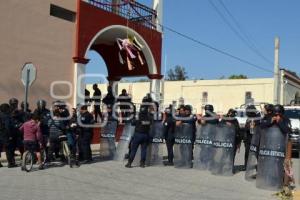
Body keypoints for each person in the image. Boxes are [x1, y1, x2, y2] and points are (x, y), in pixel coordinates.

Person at [244, 105, 261, 169]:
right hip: (248, 138)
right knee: (247, 153)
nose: (247, 113)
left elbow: (258, 127)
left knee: (256, 153)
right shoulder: (249, 118)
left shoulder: (257, 118)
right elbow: (246, 127)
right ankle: (246, 166)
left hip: (255, 138)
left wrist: (254, 126)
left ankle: (258, 167)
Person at [0, 103, 13, 167]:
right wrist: (10, 135)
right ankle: (10, 163)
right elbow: (7, 126)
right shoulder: (6, 116)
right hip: (4, 135)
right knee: (8, 149)